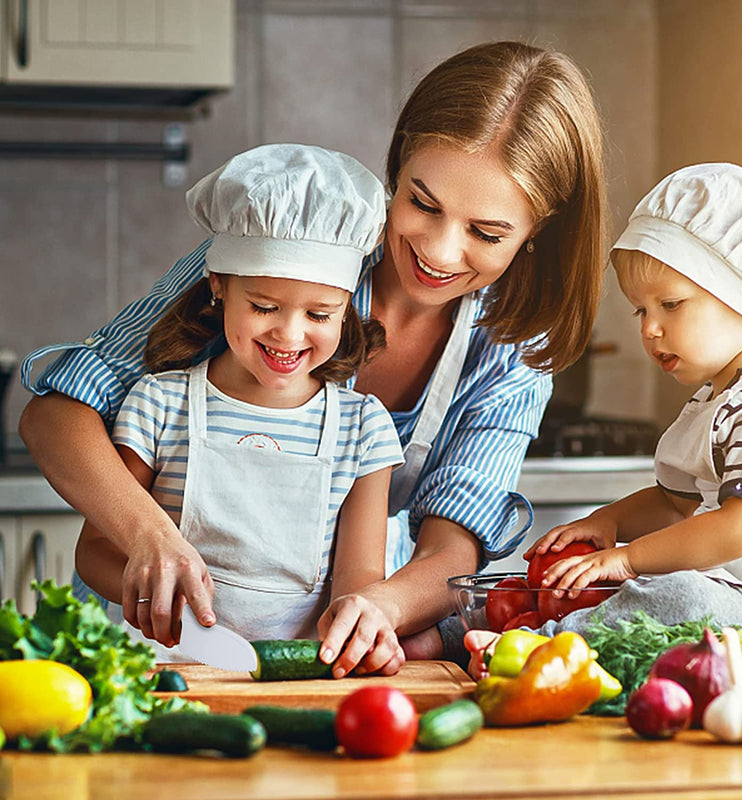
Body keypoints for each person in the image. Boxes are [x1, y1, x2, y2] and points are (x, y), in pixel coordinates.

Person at [18, 41, 608, 675]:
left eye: (486, 233)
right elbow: (54, 416)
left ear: (536, 228)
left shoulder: (511, 349)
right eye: (422, 204)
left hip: (305, 657)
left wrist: (376, 609)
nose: (438, 250)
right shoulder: (284, 250)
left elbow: (450, 551)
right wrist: (150, 539)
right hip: (144, 643)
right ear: (400, 158)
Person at [73, 143, 405, 668]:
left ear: (347, 308)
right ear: (219, 285)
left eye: (320, 314)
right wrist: (156, 597)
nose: (289, 334)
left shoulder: (363, 429)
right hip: (163, 669)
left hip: (293, 677)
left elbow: (359, 579)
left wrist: (360, 623)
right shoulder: (160, 404)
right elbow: (95, 551)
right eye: (265, 306)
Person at [465, 162, 742, 678]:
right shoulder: (717, 398)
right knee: (642, 587)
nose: (650, 329)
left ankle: (539, 648)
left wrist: (627, 559)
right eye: (640, 311)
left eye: (670, 304)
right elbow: (673, 505)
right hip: (729, 590)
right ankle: (456, 630)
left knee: (677, 593)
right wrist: (611, 522)